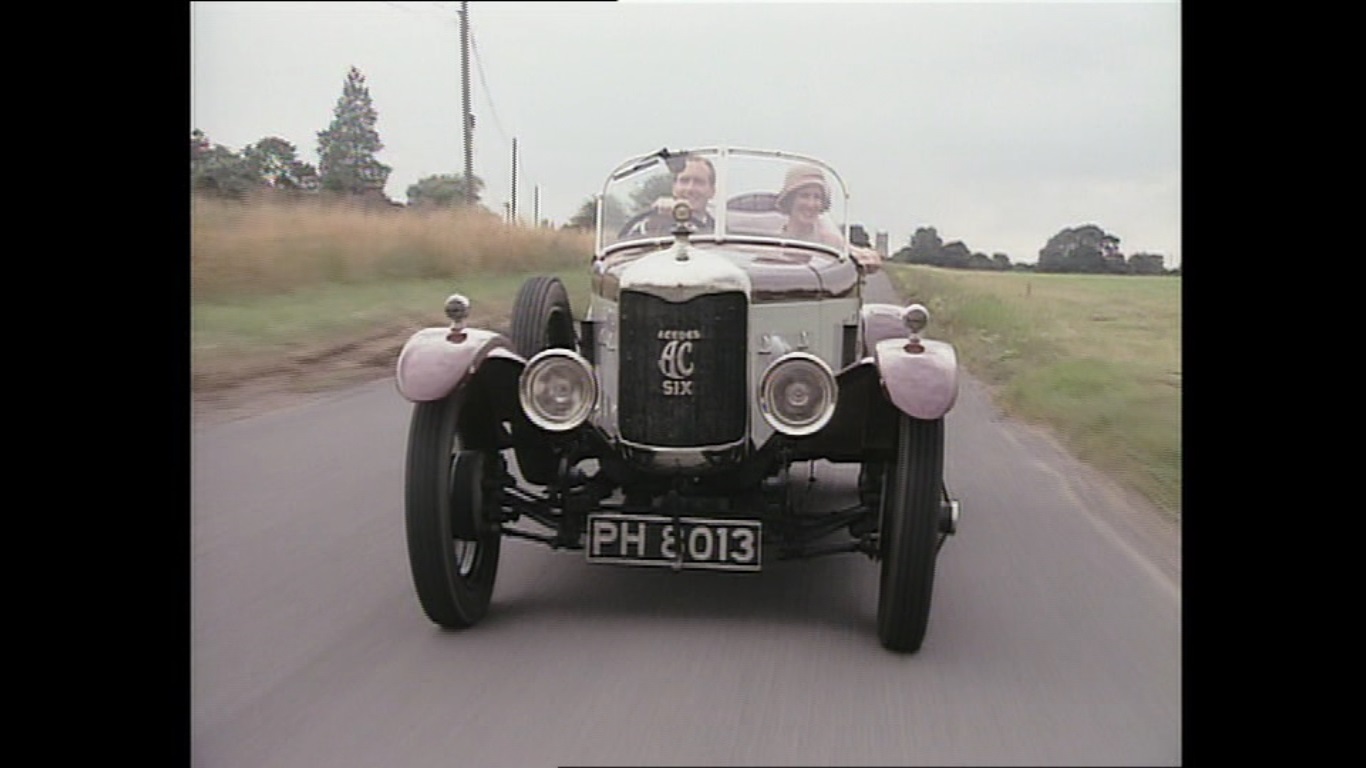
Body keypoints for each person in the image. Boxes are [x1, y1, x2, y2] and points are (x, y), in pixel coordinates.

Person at [775, 163, 882, 271]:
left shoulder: (828, 240)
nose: (811, 204)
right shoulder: (772, 237)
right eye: (804, 196)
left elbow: (858, 253)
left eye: (817, 197)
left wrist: (868, 258)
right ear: (790, 200)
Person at [622, 154, 717, 236]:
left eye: (698, 182)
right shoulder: (649, 223)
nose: (689, 188)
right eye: (684, 181)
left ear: (712, 191)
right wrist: (654, 222)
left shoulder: (719, 232)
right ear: (674, 187)